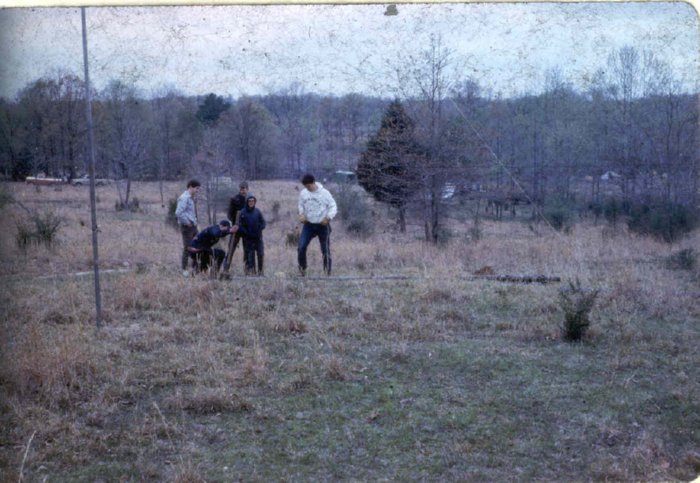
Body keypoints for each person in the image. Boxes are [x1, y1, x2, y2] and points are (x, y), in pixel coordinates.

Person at [297, 173, 337, 276]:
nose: (307, 188)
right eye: (306, 186)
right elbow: (300, 205)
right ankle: (302, 270)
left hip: (322, 225)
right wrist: (301, 214)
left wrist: (329, 217)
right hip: (309, 225)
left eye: (309, 186)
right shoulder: (303, 193)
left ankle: (327, 273)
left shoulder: (325, 193)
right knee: (301, 247)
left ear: (313, 183)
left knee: (325, 250)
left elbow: (333, 206)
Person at [223, 181, 252, 272]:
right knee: (231, 248)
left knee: (247, 249)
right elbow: (229, 214)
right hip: (236, 227)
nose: (243, 191)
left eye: (244, 189)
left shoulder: (250, 200)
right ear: (239, 189)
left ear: (247, 189)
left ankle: (247, 270)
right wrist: (235, 223)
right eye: (241, 189)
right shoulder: (234, 199)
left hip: (246, 228)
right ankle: (225, 269)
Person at [175, 179, 201, 275]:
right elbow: (178, 213)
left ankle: (195, 268)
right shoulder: (184, 198)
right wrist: (187, 222)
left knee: (198, 245)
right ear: (190, 187)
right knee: (187, 248)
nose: (198, 190)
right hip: (187, 227)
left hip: (193, 227)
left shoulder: (190, 198)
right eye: (197, 188)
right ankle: (184, 270)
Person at [237, 195, 266, 275]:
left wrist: (259, 228)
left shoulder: (257, 211)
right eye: (249, 201)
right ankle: (252, 273)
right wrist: (246, 232)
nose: (251, 202)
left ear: (255, 202)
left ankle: (261, 272)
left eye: (253, 201)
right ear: (247, 202)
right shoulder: (242, 212)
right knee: (250, 256)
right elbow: (240, 225)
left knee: (260, 254)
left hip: (258, 238)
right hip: (248, 238)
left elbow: (263, 223)